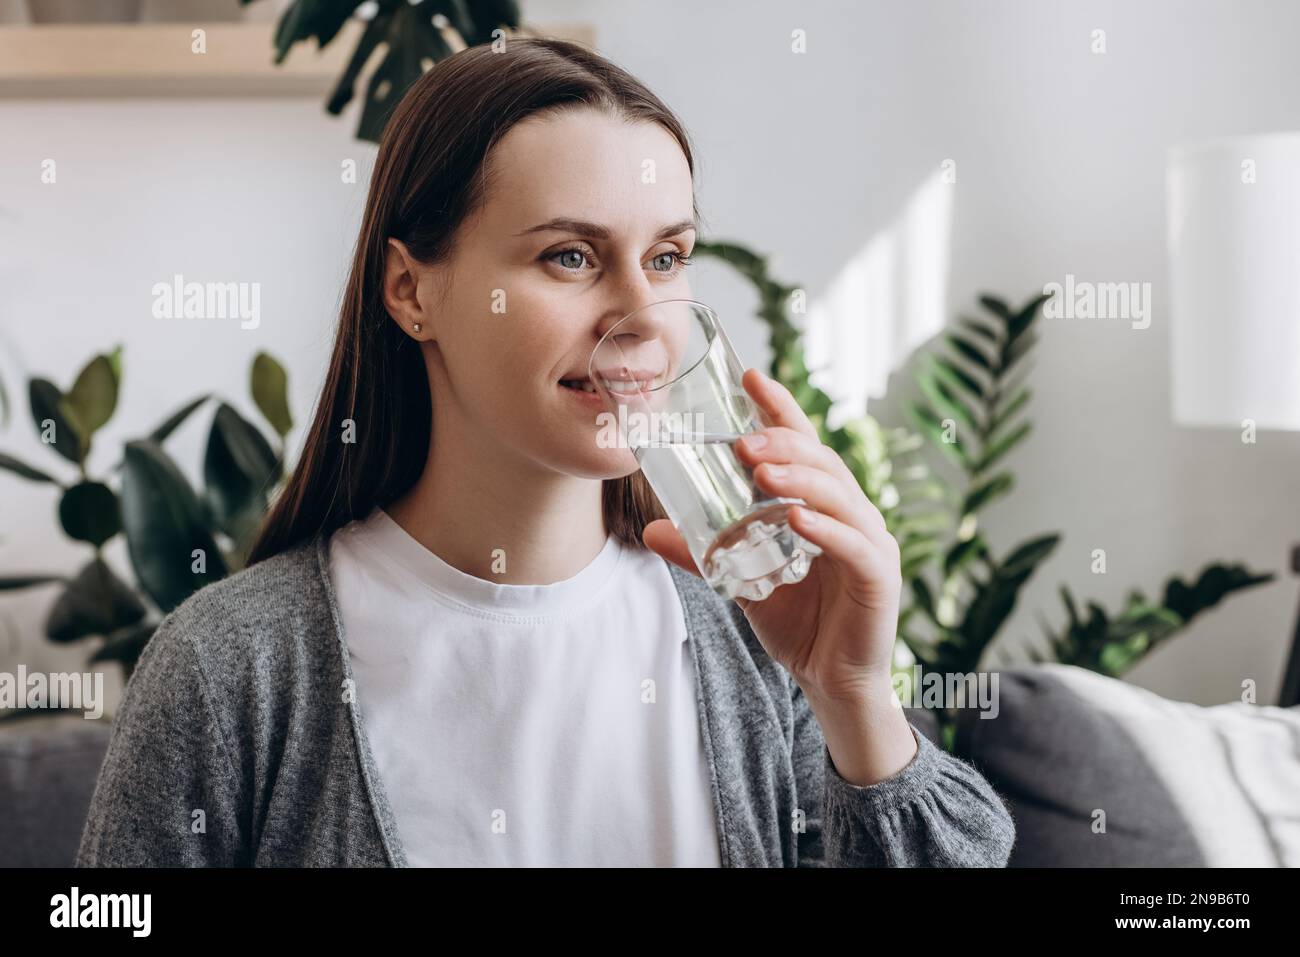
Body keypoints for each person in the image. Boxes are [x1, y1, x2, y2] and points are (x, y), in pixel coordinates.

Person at [76, 37, 1015, 868]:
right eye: (570, 256)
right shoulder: (232, 667)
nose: (645, 319)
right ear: (412, 290)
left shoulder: (758, 639)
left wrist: (852, 697)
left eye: (667, 257)